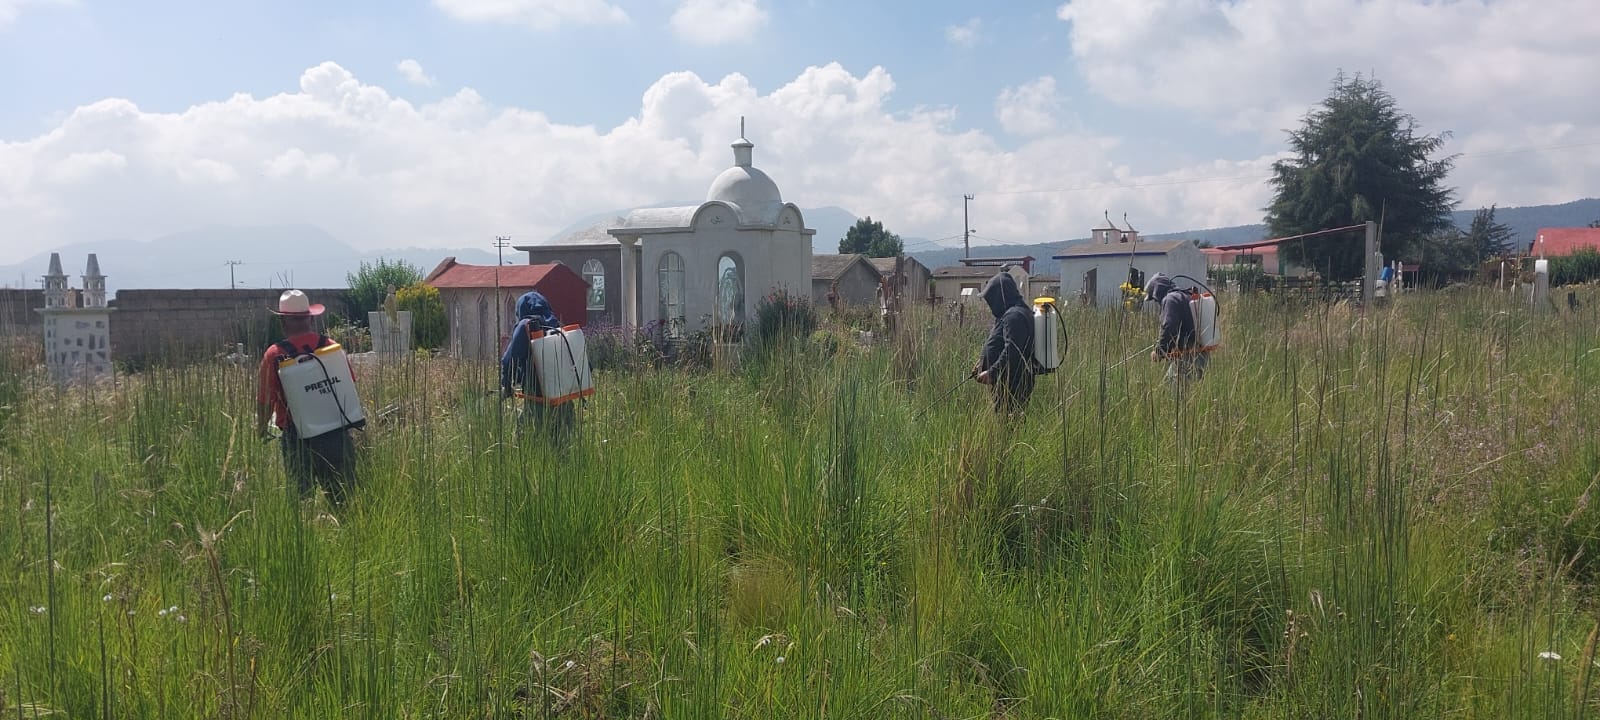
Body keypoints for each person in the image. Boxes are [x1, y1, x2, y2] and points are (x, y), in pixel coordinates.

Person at [256, 289, 358, 507]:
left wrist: (261, 429)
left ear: (283, 321)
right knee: (343, 501)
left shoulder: (274, 355)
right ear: (310, 318)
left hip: (297, 439)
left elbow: (265, 400)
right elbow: (349, 384)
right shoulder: (331, 346)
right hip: (336, 432)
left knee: (302, 503)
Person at [500, 290, 575, 440]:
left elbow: (509, 360)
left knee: (522, 446)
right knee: (564, 451)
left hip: (537, 401)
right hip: (566, 402)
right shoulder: (558, 326)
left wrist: (506, 386)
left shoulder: (525, 325)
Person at [973, 270, 1036, 413]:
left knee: (1008, 424)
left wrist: (992, 372)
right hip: (1009, 381)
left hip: (1012, 383)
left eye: (990, 299)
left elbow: (1012, 350)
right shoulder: (1015, 313)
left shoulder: (1014, 316)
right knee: (1007, 422)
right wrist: (983, 363)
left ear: (999, 297)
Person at [1144, 273, 1208, 383]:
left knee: (1171, 392)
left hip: (1188, 357)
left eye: (1154, 299)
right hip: (1202, 355)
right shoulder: (1186, 296)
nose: (1156, 302)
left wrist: (1159, 351)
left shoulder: (1170, 300)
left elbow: (1169, 327)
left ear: (1157, 292)